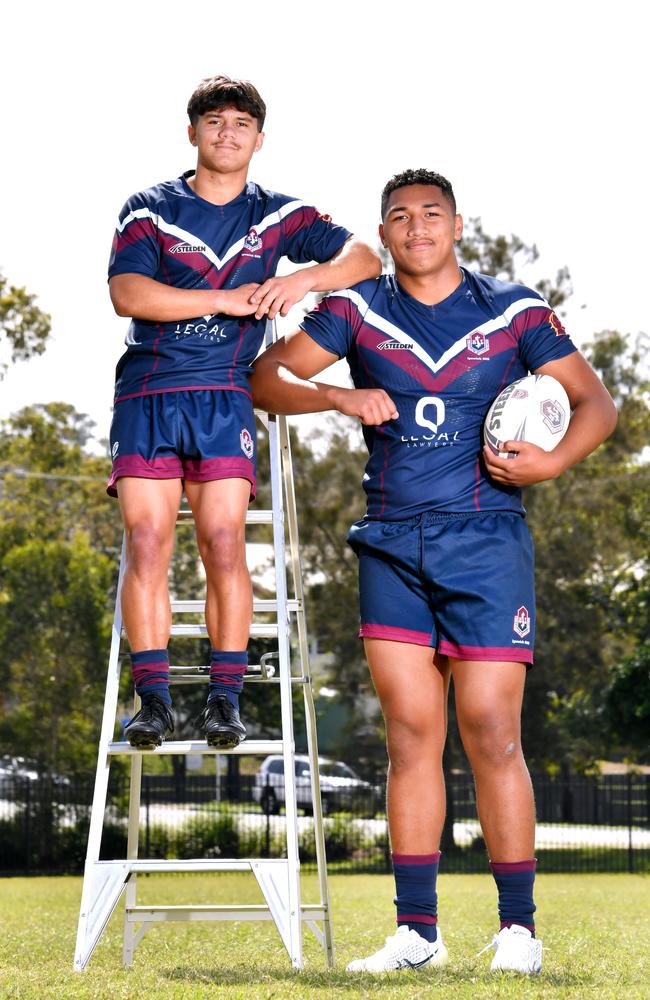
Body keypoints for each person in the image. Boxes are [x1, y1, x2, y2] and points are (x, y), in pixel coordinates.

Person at [250, 168, 617, 975]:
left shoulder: (513, 309)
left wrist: (550, 464)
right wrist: (338, 401)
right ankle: (417, 932)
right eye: (399, 217)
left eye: (431, 214)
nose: (416, 227)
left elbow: (598, 405)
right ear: (382, 234)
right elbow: (267, 377)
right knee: (412, 737)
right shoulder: (358, 308)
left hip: (487, 542)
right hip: (391, 542)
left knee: (491, 729)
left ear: (456, 225)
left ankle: (517, 929)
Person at [107, 75, 381, 753]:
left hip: (225, 393)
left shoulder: (278, 216)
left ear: (258, 138)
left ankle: (225, 701)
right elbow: (127, 293)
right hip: (149, 391)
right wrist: (227, 301)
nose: (227, 134)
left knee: (225, 543)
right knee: (148, 541)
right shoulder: (149, 208)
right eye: (214, 122)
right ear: (192, 131)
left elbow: (364, 257)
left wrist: (301, 279)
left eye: (240, 124)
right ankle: (154, 700)